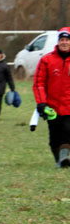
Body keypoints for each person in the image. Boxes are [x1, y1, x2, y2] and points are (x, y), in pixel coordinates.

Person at [33, 27, 70, 167]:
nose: (64, 42)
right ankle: (58, 160)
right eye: (62, 40)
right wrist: (41, 103)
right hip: (52, 107)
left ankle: (64, 157)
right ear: (58, 42)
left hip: (69, 107)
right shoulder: (47, 60)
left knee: (67, 131)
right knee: (54, 137)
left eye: (67, 40)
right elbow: (38, 83)